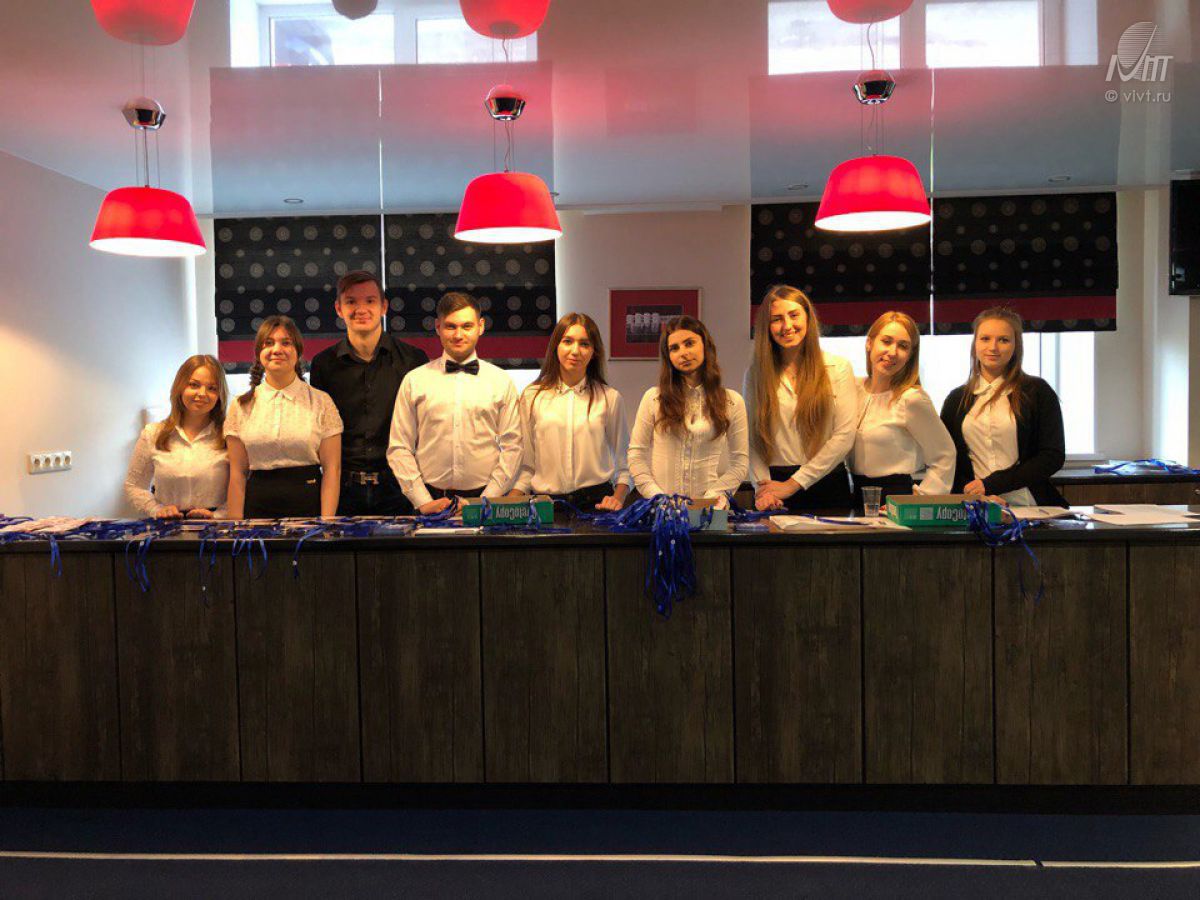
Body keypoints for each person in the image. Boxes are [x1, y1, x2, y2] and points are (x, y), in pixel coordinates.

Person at [387, 292, 522, 515]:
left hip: (484, 501)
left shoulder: (501, 381)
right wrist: (422, 500)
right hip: (428, 501)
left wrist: (486, 500)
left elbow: (513, 447)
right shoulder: (414, 381)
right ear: (438, 327)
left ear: (480, 326)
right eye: (451, 326)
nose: (458, 334)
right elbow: (399, 448)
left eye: (467, 326)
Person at [309, 270, 429, 516]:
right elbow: (319, 432)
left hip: (401, 487)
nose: (361, 309)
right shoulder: (323, 364)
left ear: (384, 307)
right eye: (351, 301)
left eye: (370, 301)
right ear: (339, 309)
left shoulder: (413, 360)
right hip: (342, 489)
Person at [743, 285, 856, 512]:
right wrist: (763, 490)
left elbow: (844, 437)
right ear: (767, 326)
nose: (787, 326)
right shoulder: (755, 375)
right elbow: (751, 438)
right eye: (777, 319)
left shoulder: (837, 368)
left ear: (808, 318)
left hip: (828, 486)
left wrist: (793, 484)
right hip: (774, 490)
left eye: (794, 315)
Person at [940, 307, 1067, 507]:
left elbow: (1052, 456)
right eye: (985, 339)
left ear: (1016, 346)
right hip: (977, 507)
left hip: (1030, 505)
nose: (993, 347)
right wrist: (977, 495)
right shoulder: (956, 400)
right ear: (975, 344)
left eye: (1003, 340)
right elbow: (948, 460)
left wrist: (991, 485)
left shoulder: (1038, 391)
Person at [224, 316, 343, 518]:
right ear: (259, 353)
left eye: (286, 343)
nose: (277, 349)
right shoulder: (241, 405)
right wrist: (235, 527)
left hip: (309, 510)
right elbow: (237, 475)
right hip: (257, 512)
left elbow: (332, 471)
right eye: (268, 343)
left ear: (298, 352)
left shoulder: (321, 402)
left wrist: (326, 523)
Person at [511, 312, 631, 511]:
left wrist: (617, 498)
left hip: (597, 505)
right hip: (546, 507)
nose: (575, 351)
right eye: (567, 341)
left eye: (584, 344)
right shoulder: (532, 396)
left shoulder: (610, 398)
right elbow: (527, 466)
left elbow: (624, 464)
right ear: (556, 346)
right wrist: (507, 502)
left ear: (594, 351)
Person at [627, 315, 748, 507]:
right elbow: (636, 456)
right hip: (662, 510)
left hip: (709, 508)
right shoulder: (653, 398)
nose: (683, 353)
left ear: (705, 346)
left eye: (689, 343)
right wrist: (658, 498)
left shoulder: (731, 401)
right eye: (674, 348)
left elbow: (740, 463)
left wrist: (713, 498)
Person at [850, 311, 956, 505]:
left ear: (910, 355)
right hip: (855, 496)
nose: (892, 352)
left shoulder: (912, 399)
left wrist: (920, 502)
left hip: (895, 497)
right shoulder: (852, 389)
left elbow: (944, 455)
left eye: (903, 346)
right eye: (886, 341)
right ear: (869, 343)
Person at [124, 354, 230, 519]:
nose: (202, 393)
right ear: (180, 387)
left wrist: (217, 515)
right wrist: (156, 509)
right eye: (194, 385)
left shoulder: (230, 436)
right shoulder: (153, 434)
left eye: (212, 388)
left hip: (214, 528)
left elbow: (243, 487)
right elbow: (133, 485)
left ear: (220, 395)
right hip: (167, 527)